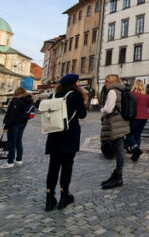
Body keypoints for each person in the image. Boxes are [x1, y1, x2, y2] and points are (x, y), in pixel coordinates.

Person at [45, 74, 87, 212]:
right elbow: (82, 114)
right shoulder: (75, 95)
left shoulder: (53, 96)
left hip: (54, 133)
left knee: (53, 166)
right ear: (74, 83)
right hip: (69, 133)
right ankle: (64, 195)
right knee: (67, 166)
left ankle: (49, 198)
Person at [99, 74, 130, 190]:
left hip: (115, 123)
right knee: (119, 149)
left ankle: (118, 177)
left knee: (118, 150)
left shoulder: (112, 91)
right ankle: (117, 175)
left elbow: (108, 109)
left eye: (106, 81)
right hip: (121, 122)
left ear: (111, 82)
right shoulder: (121, 90)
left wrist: (102, 109)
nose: (105, 83)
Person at [0, 87, 34, 169]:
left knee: (11, 142)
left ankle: (10, 161)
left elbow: (12, 115)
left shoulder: (17, 101)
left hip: (14, 124)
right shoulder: (27, 100)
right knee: (18, 141)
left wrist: (6, 126)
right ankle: (19, 159)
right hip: (22, 123)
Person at [126, 79, 149, 161]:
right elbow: (147, 106)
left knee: (129, 135)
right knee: (137, 135)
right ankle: (136, 154)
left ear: (134, 85)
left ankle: (136, 148)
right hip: (144, 117)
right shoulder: (146, 95)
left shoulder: (131, 94)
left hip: (134, 117)